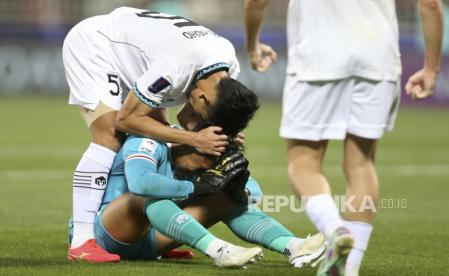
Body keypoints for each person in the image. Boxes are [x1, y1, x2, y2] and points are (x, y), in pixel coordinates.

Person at [244, 0, 443, 275]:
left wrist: (252, 45)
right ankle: (349, 268)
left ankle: (334, 230)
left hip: (317, 59)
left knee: (303, 162)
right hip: (378, 59)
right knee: (361, 163)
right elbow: (430, 5)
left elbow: (257, 2)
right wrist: (431, 68)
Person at [62, 7, 258, 262]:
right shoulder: (175, 68)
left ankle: (148, 228)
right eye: (205, 115)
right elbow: (128, 119)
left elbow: (185, 118)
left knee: (158, 131)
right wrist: (195, 139)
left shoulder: (226, 70)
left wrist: (223, 138)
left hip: (139, 55)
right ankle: (82, 240)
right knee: (110, 135)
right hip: (97, 46)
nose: (200, 120)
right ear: (203, 97)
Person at [81, 131, 326, 268]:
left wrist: (238, 191)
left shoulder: (202, 150)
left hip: (154, 240)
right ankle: (218, 250)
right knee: (144, 197)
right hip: (111, 233)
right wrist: (195, 187)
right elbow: (140, 184)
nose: (208, 167)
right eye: (206, 161)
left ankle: (293, 246)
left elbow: (255, 191)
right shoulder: (145, 142)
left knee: (227, 199)